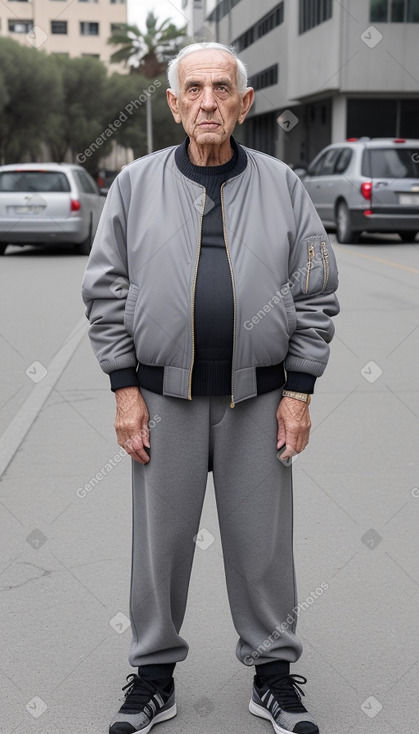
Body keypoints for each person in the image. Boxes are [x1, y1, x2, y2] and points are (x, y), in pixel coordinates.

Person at [82, 42, 339, 734]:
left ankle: (273, 676)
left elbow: (315, 290)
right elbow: (106, 290)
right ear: (172, 103)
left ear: (243, 101)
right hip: (161, 398)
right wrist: (123, 390)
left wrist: (299, 391)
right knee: (159, 544)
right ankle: (153, 677)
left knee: (263, 545)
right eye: (192, 88)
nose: (206, 102)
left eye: (221, 88)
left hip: (258, 397)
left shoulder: (283, 184)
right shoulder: (135, 185)